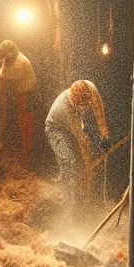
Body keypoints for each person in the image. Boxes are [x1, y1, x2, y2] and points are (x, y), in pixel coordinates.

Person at [45, 80, 110, 208]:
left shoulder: (90, 87)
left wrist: (105, 134)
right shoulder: (66, 109)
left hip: (73, 125)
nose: (86, 108)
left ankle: (88, 195)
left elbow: (98, 110)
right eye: (83, 106)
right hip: (55, 128)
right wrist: (87, 166)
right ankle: (71, 199)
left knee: (91, 153)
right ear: (75, 102)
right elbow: (82, 144)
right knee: (70, 160)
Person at [0, 40, 38, 161]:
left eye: (5, 56)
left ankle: (28, 157)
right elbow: (2, 71)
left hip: (28, 96)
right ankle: (25, 154)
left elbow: (3, 76)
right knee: (22, 123)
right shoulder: (10, 58)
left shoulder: (20, 63)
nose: (3, 59)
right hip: (21, 94)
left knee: (26, 125)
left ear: (11, 52)